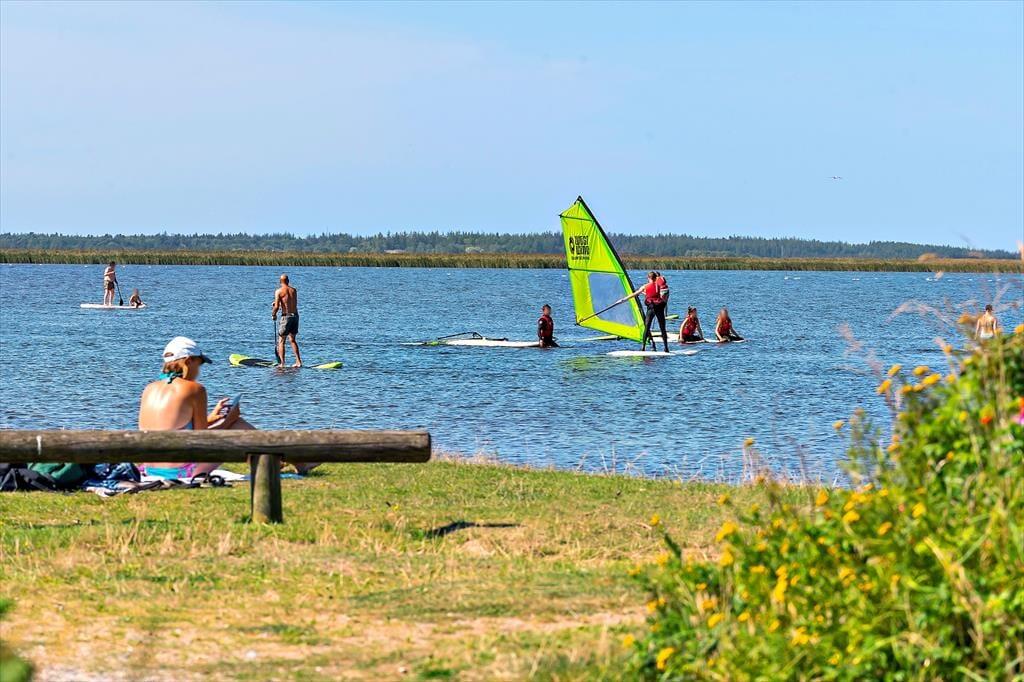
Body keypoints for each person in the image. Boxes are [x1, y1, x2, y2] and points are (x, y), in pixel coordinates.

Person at [139, 336, 252, 480]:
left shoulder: (149, 389)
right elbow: (201, 438)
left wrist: (211, 419)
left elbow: (171, 429)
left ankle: (272, 462)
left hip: (149, 469)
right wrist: (229, 420)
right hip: (182, 471)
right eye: (199, 365)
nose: (198, 371)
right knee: (237, 424)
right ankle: (272, 462)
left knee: (232, 423)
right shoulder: (194, 389)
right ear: (188, 361)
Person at [625, 271, 670, 352]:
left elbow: (635, 294)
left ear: (648, 278)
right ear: (655, 278)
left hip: (651, 308)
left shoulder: (645, 286)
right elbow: (658, 294)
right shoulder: (658, 286)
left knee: (647, 327)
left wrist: (624, 299)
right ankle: (666, 348)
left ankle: (643, 347)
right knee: (662, 328)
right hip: (659, 307)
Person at [272, 274, 302, 367]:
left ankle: (282, 364)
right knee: (292, 340)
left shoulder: (278, 291)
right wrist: (278, 303)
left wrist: (273, 314)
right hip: (295, 316)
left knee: (281, 341)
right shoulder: (294, 290)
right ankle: (298, 362)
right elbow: (289, 301)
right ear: (288, 281)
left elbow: (276, 307)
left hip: (286, 317)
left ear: (280, 281)